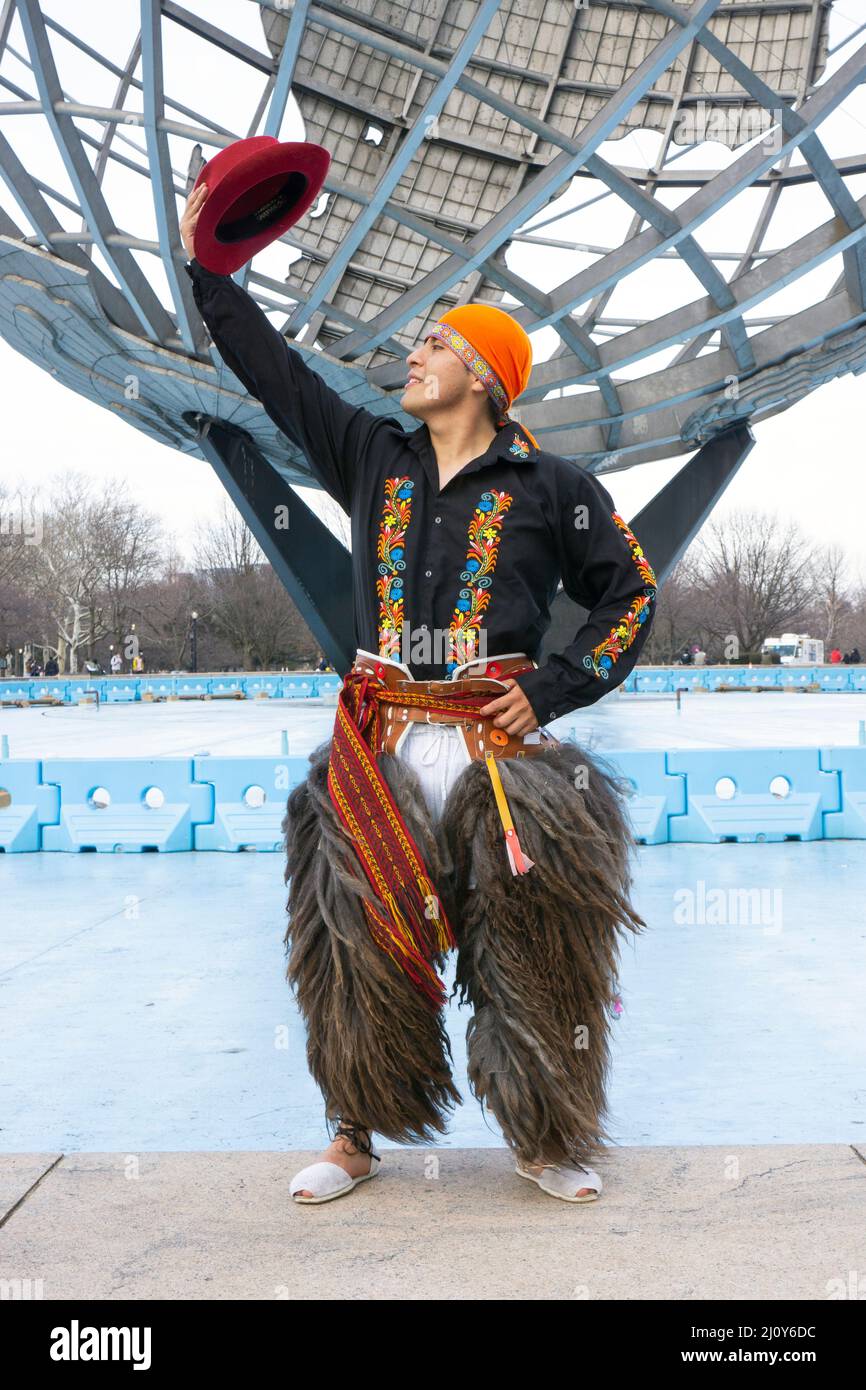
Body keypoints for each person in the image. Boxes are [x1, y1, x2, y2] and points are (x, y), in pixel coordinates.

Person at [181, 183, 658, 1207]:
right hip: (380, 743)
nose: (414, 354)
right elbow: (274, 377)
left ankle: (543, 1134)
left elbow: (630, 595)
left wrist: (558, 689)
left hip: (502, 759)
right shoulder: (370, 456)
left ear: (483, 375)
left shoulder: (551, 488)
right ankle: (352, 1135)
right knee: (349, 940)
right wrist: (210, 273)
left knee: (531, 948)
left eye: (436, 343)